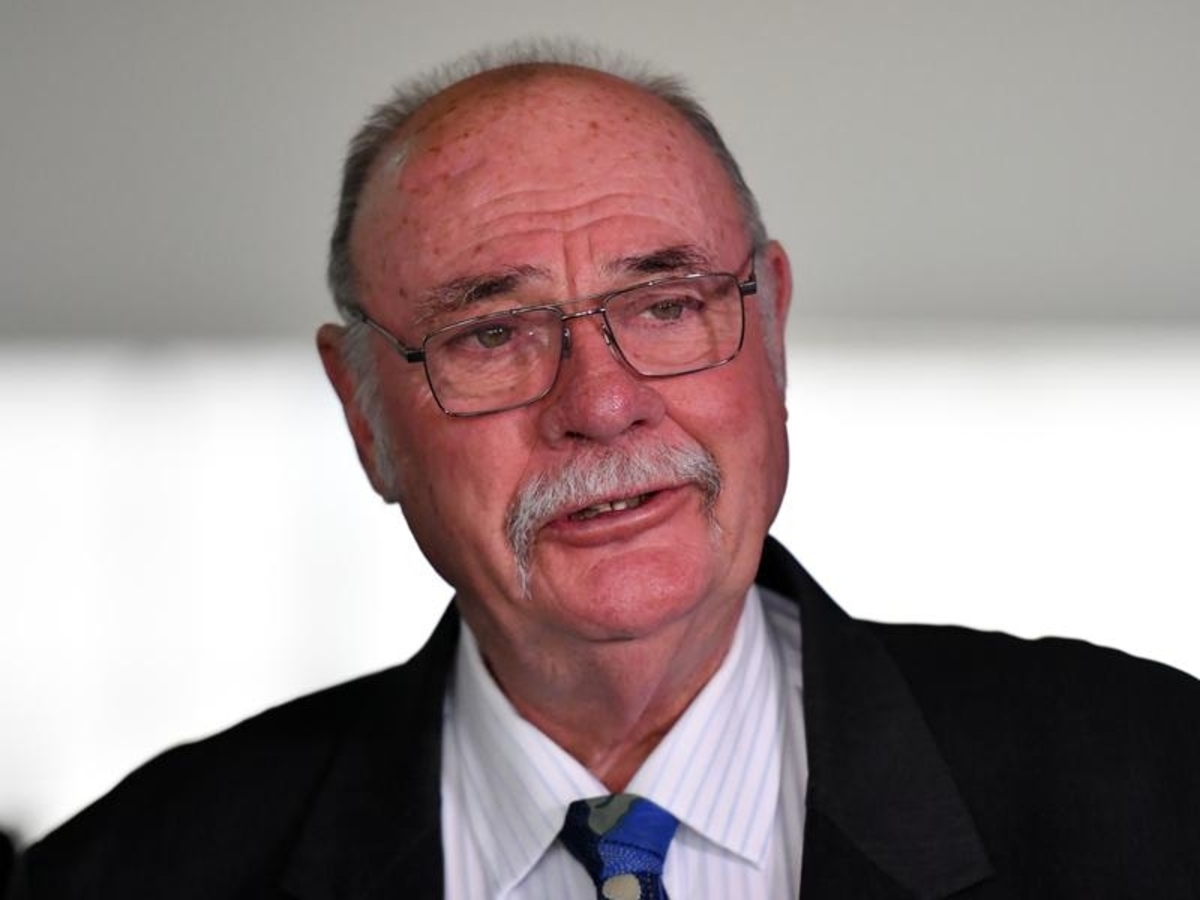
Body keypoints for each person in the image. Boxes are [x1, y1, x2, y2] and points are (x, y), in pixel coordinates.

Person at [13, 42, 1200, 899]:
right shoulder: (129, 873)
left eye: (667, 305)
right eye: (492, 334)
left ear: (773, 330)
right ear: (362, 411)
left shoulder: (1157, 791)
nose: (601, 404)